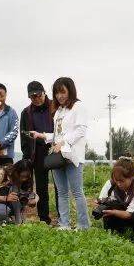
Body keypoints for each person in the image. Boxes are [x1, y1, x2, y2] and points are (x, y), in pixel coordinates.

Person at [30, 77, 90, 230]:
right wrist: (42, 135)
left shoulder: (78, 107)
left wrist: (64, 143)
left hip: (72, 156)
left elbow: (80, 130)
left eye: (62, 92)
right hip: (58, 157)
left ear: (70, 90)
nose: (60, 96)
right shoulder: (58, 111)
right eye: (57, 93)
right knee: (62, 192)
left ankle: (83, 225)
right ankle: (64, 223)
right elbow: (57, 135)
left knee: (77, 192)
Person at [20, 81, 58, 224]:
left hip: (55, 151)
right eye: (32, 97)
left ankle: (62, 218)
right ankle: (44, 219)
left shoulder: (56, 106)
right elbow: (24, 136)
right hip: (37, 154)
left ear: (44, 92)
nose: (36, 99)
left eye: (38, 95)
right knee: (41, 188)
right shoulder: (26, 112)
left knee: (59, 186)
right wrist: (26, 157)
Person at [96, 157, 134, 244]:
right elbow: (103, 200)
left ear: (131, 177)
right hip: (121, 215)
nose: (118, 184)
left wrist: (113, 212)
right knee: (108, 206)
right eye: (116, 180)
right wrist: (102, 204)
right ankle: (113, 235)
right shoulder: (110, 183)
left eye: (121, 181)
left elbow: (129, 214)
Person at [0, 159, 38, 227]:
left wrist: (34, 200)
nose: (23, 179)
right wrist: (6, 198)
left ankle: (12, 221)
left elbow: (34, 194)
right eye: (22, 176)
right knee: (2, 211)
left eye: (26, 177)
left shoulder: (27, 180)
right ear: (16, 171)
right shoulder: (2, 173)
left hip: (14, 207)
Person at [0, 83, 19, 170]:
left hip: (5, 158)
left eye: (2, 96)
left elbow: (14, 132)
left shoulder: (11, 112)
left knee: (4, 183)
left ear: (6, 95)